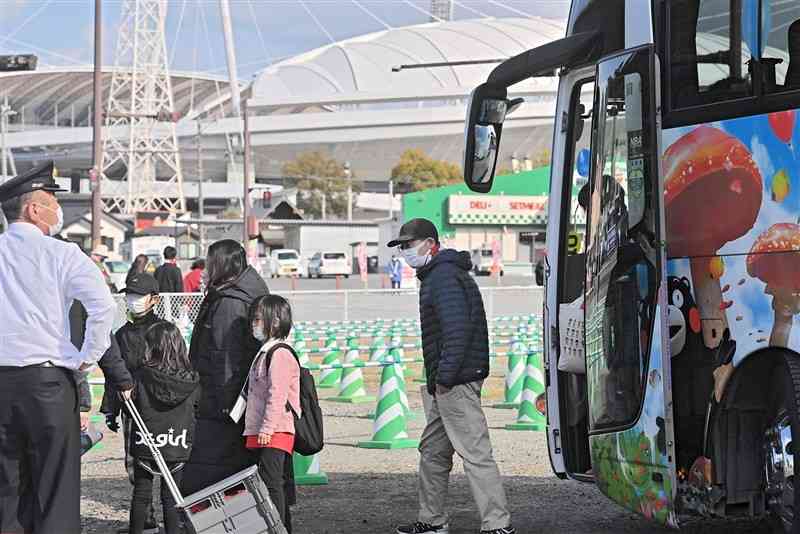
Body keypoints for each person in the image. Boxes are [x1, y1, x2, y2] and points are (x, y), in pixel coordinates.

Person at [0, 161, 117, 534]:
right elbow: (103, 307)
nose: (56, 209)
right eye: (51, 200)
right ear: (34, 209)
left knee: (6, 491)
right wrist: (86, 359)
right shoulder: (62, 254)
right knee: (55, 492)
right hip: (48, 382)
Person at [389, 218, 514, 534]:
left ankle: (497, 525)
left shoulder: (443, 277)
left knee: (475, 453)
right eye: (401, 247)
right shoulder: (436, 275)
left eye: (408, 245)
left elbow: (457, 330)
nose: (404, 252)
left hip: (455, 381)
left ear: (430, 243)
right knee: (432, 452)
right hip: (445, 382)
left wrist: (444, 377)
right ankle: (432, 521)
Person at [181, 239, 269, 496]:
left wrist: (223, 403)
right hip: (239, 396)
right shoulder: (244, 291)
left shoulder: (229, 303)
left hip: (223, 402)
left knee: (217, 468)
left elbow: (225, 357)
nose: (206, 270)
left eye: (210, 263)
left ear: (220, 264)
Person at [101, 273, 162, 534]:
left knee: (166, 461)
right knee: (134, 465)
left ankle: (172, 517)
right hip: (131, 409)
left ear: (154, 300)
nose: (132, 300)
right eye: (129, 295)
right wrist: (110, 408)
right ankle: (146, 518)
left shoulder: (163, 331)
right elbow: (112, 372)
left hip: (161, 410)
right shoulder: (122, 334)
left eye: (138, 296)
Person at [128, 321, 200, 534]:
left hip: (147, 442)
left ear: (153, 347)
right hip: (177, 443)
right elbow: (198, 407)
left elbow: (129, 400)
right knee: (171, 497)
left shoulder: (141, 375)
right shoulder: (192, 379)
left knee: (141, 494)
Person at [244, 295, 300, 532]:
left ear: (275, 321)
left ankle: (279, 529)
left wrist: (267, 428)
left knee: (272, 484)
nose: (254, 324)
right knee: (271, 484)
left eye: (258, 319)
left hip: (275, 430)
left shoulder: (279, 353)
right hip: (266, 429)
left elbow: (277, 394)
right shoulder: (266, 351)